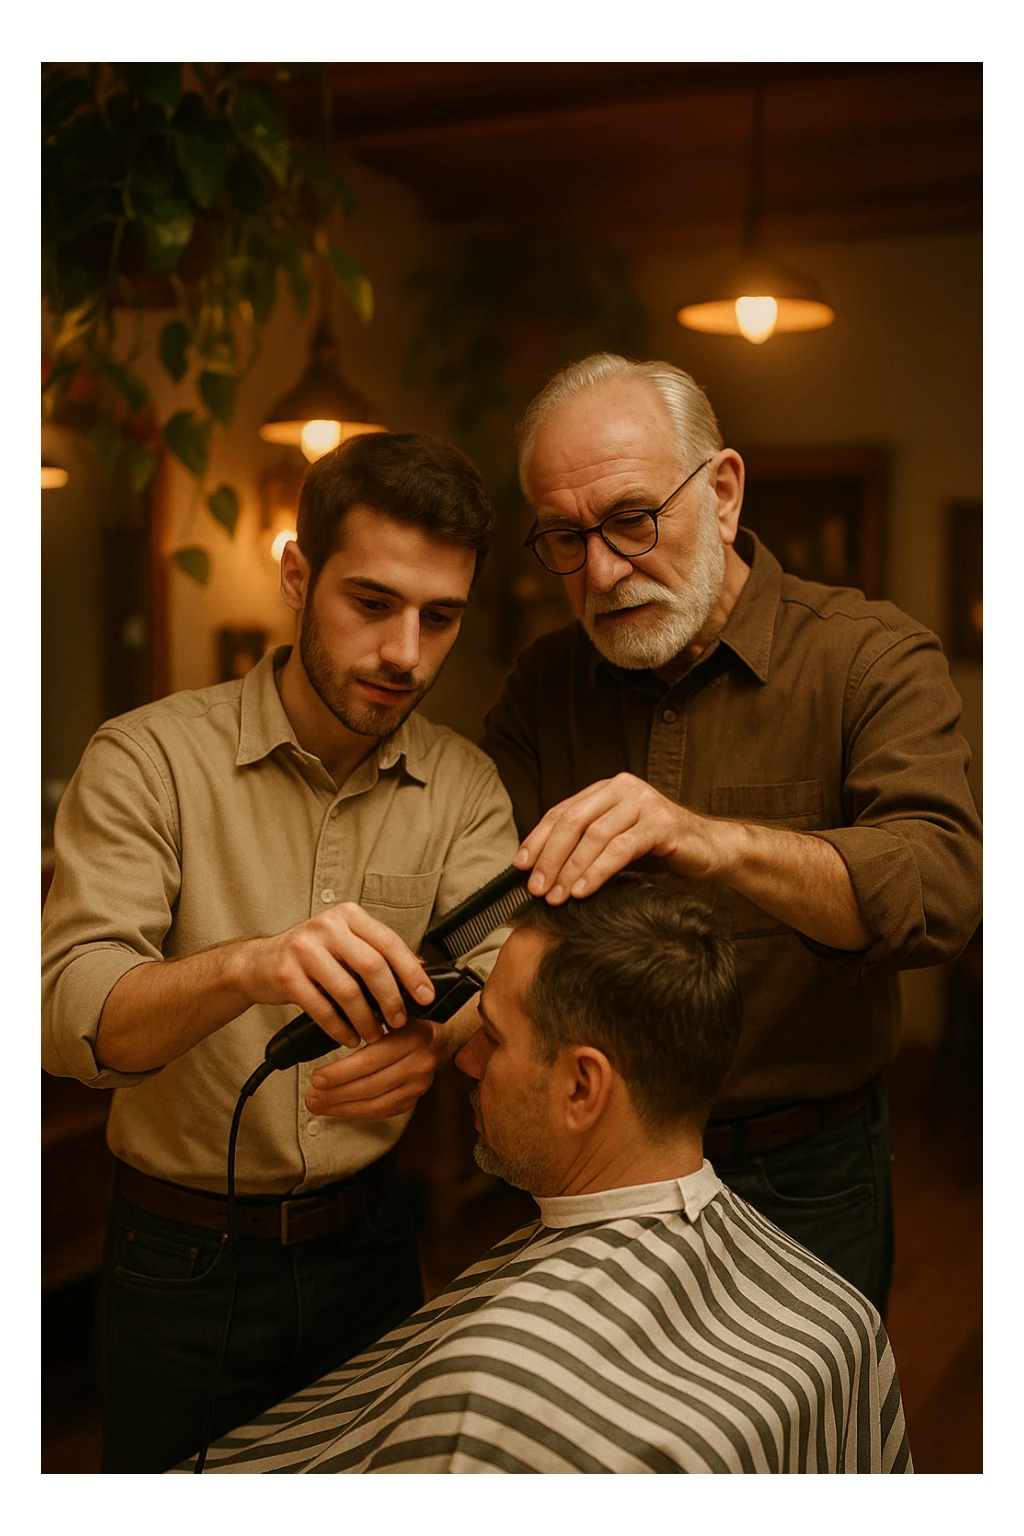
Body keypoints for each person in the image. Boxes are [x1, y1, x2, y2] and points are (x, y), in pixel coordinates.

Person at [41, 430, 521, 1473]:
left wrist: (443, 1045)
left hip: (374, 1246)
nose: (407, 653)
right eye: (372, 603)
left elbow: (506, 970)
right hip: (177, 1261)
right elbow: (67, 1020)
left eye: (440, 618)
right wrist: (245, 966)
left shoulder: (467, 787)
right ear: (297, 576)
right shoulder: (147, 758)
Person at [479, 352, 983, 1316]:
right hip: (593, 1172)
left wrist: (717, 844)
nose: (601, 571)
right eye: (564, 536)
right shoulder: (542, 687)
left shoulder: (867, 657)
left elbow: (944, 884)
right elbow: (476, 900)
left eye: (631, 519)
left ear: (721, 491)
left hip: (807, 1172)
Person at [184, 876, 912, 1475]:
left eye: (491, 1038)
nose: (462, 1062)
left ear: (582, 1088)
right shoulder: (841, 1317)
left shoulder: (491, 1393)